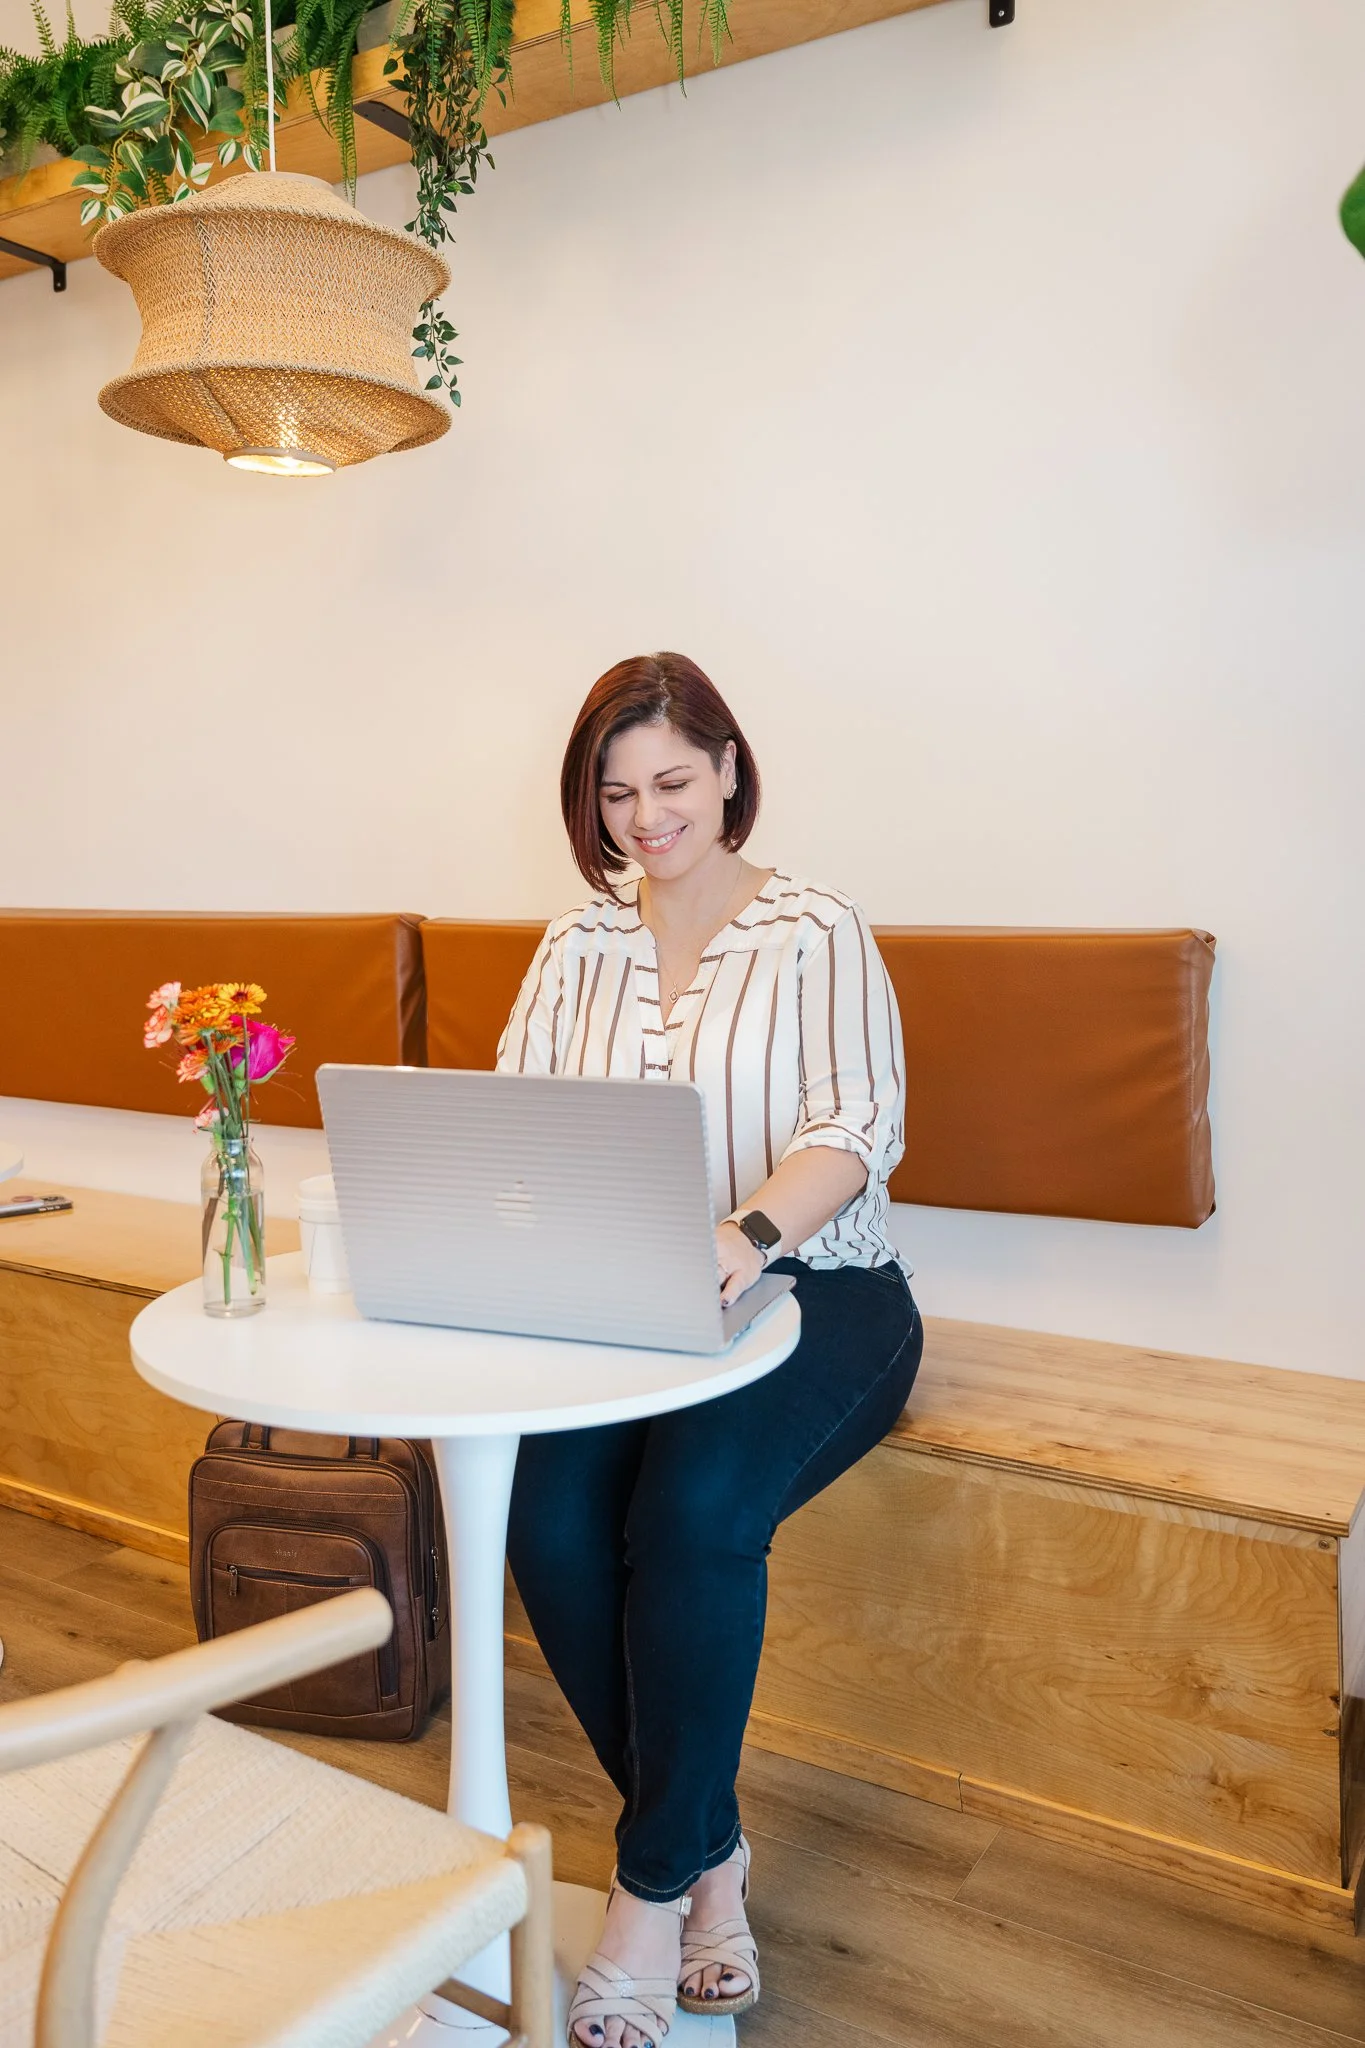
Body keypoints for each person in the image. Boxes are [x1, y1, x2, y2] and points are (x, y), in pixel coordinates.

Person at [498, 652, 923, 2048]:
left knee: (688, 1514)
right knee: (548, 1517)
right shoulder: (576, 948)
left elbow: (853, 1131)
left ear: (729, 769)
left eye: (672, 781)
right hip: (631, 1311)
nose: (644, 816)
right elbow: (517, 1130)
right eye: (616, 792)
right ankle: (714, 1857)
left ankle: (644, 1890)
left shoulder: (813, 928)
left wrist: (745, 1232)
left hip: (817, 1293)